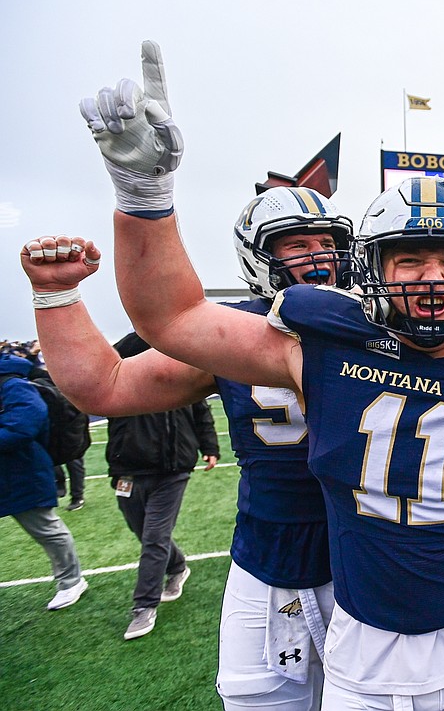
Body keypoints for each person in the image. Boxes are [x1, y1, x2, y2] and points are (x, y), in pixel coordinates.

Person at [71, 39, 444, 708]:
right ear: (372, 270)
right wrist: (144, 195)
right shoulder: (321, 345)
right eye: (409, 259)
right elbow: (169, 318)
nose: (432, 276)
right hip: (359, 653)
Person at [21, 184, 354, 705]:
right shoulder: (233, 328)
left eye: (328, 241)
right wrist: (57, 295)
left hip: (372, 554)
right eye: (297, 244)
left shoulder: (382, 325)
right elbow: (102, 384)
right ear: (259, 254)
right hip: (268, 554)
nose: (320, 256)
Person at [105, 331, 220, 639]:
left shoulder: (180, 352)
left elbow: (200, 408)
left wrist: (209, 445)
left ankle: (144, 606)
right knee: (144, 533)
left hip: (173, 467)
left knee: (155, 536)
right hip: (128, 469)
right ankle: (179, 566)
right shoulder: (125, 351)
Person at [0, 351, 88, 611]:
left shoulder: (13, 384)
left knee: (47, 530)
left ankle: (71, 581)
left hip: (22, 473)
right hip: (12, 472)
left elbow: (25, 425)